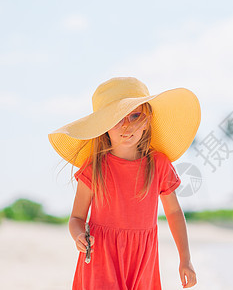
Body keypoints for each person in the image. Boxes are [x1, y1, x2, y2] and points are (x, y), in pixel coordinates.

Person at [48, 77, 201, 289]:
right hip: (102, 257)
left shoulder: (159, 164)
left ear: (147, 120)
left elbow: (174, 212)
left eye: (135, 115)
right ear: (103, 126)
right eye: (117, 118)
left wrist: (185, 259)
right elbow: (76, 217)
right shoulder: (95, 166)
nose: (126, 125)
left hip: (143, 260)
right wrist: (78, 235)